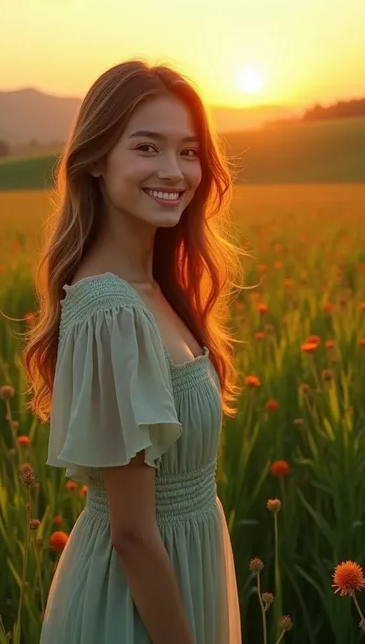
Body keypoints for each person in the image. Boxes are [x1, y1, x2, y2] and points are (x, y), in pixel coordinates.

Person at [23, 58, 246, 644]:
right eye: (147, 148)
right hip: (136, 608)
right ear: (96, 159)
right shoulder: (112, 312)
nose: (174, 171)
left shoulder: (159, 293)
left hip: (176, 578)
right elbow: (133, 534)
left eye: (189, 151)